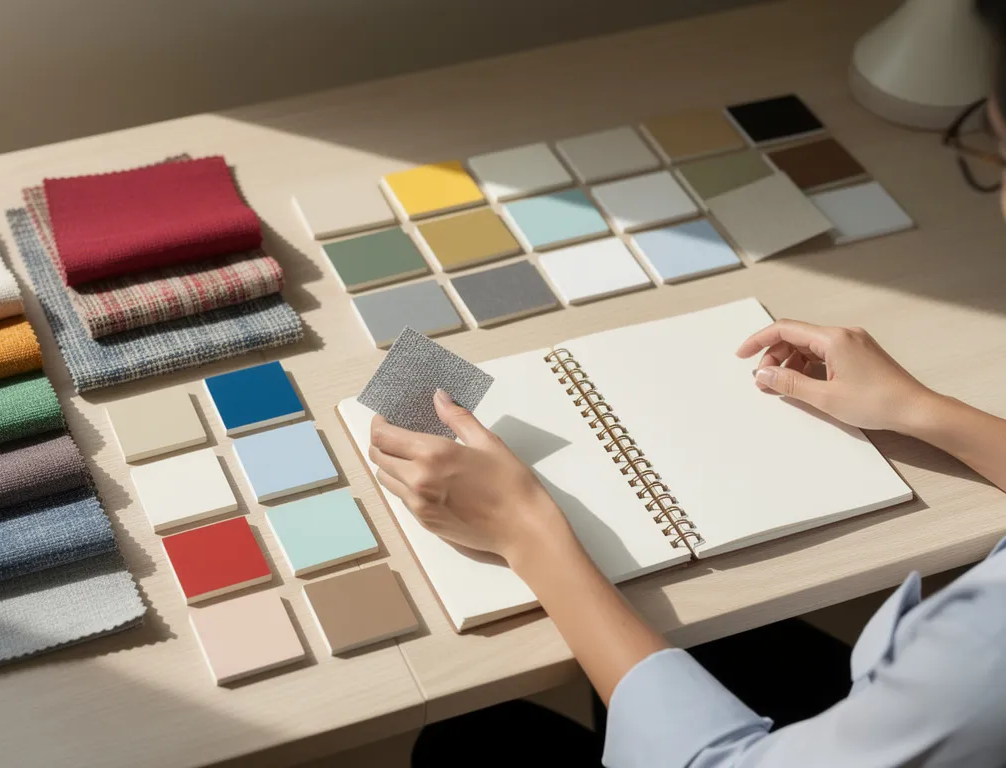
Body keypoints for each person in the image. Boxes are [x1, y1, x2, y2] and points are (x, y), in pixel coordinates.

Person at [372, 6, 1006, 765]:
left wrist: (523, 530)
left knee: (469, 739)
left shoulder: (982, 660)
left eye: (998, 153)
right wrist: (925, 411)